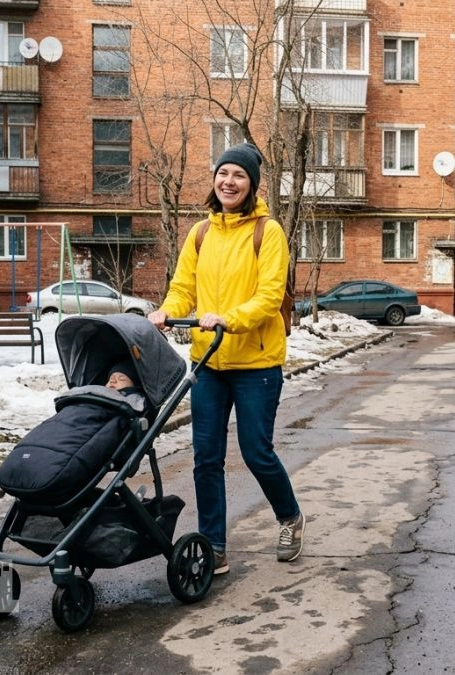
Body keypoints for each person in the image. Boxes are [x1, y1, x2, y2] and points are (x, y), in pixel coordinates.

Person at [148, 142, 303, 576]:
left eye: (238, 175)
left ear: (252, 183)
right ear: (214, 180)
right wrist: (166, 309)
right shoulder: (200, 234)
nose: (228, 181)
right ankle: (214, 545)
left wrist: (229, 320)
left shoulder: (267, 232)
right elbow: (183, 287)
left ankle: (290, 517)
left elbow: (270, 297)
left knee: (257, 453)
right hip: (208, 364)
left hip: (256, 365)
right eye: (223, 173)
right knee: (206, 458)